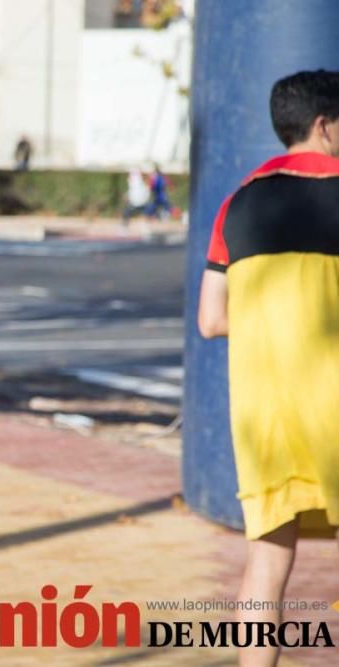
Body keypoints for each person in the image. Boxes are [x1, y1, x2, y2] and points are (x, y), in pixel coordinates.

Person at [197, 69, 339, 667]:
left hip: (267, 421)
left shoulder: (238, 203)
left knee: (267, 562)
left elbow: (211, 318)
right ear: (325, 124)